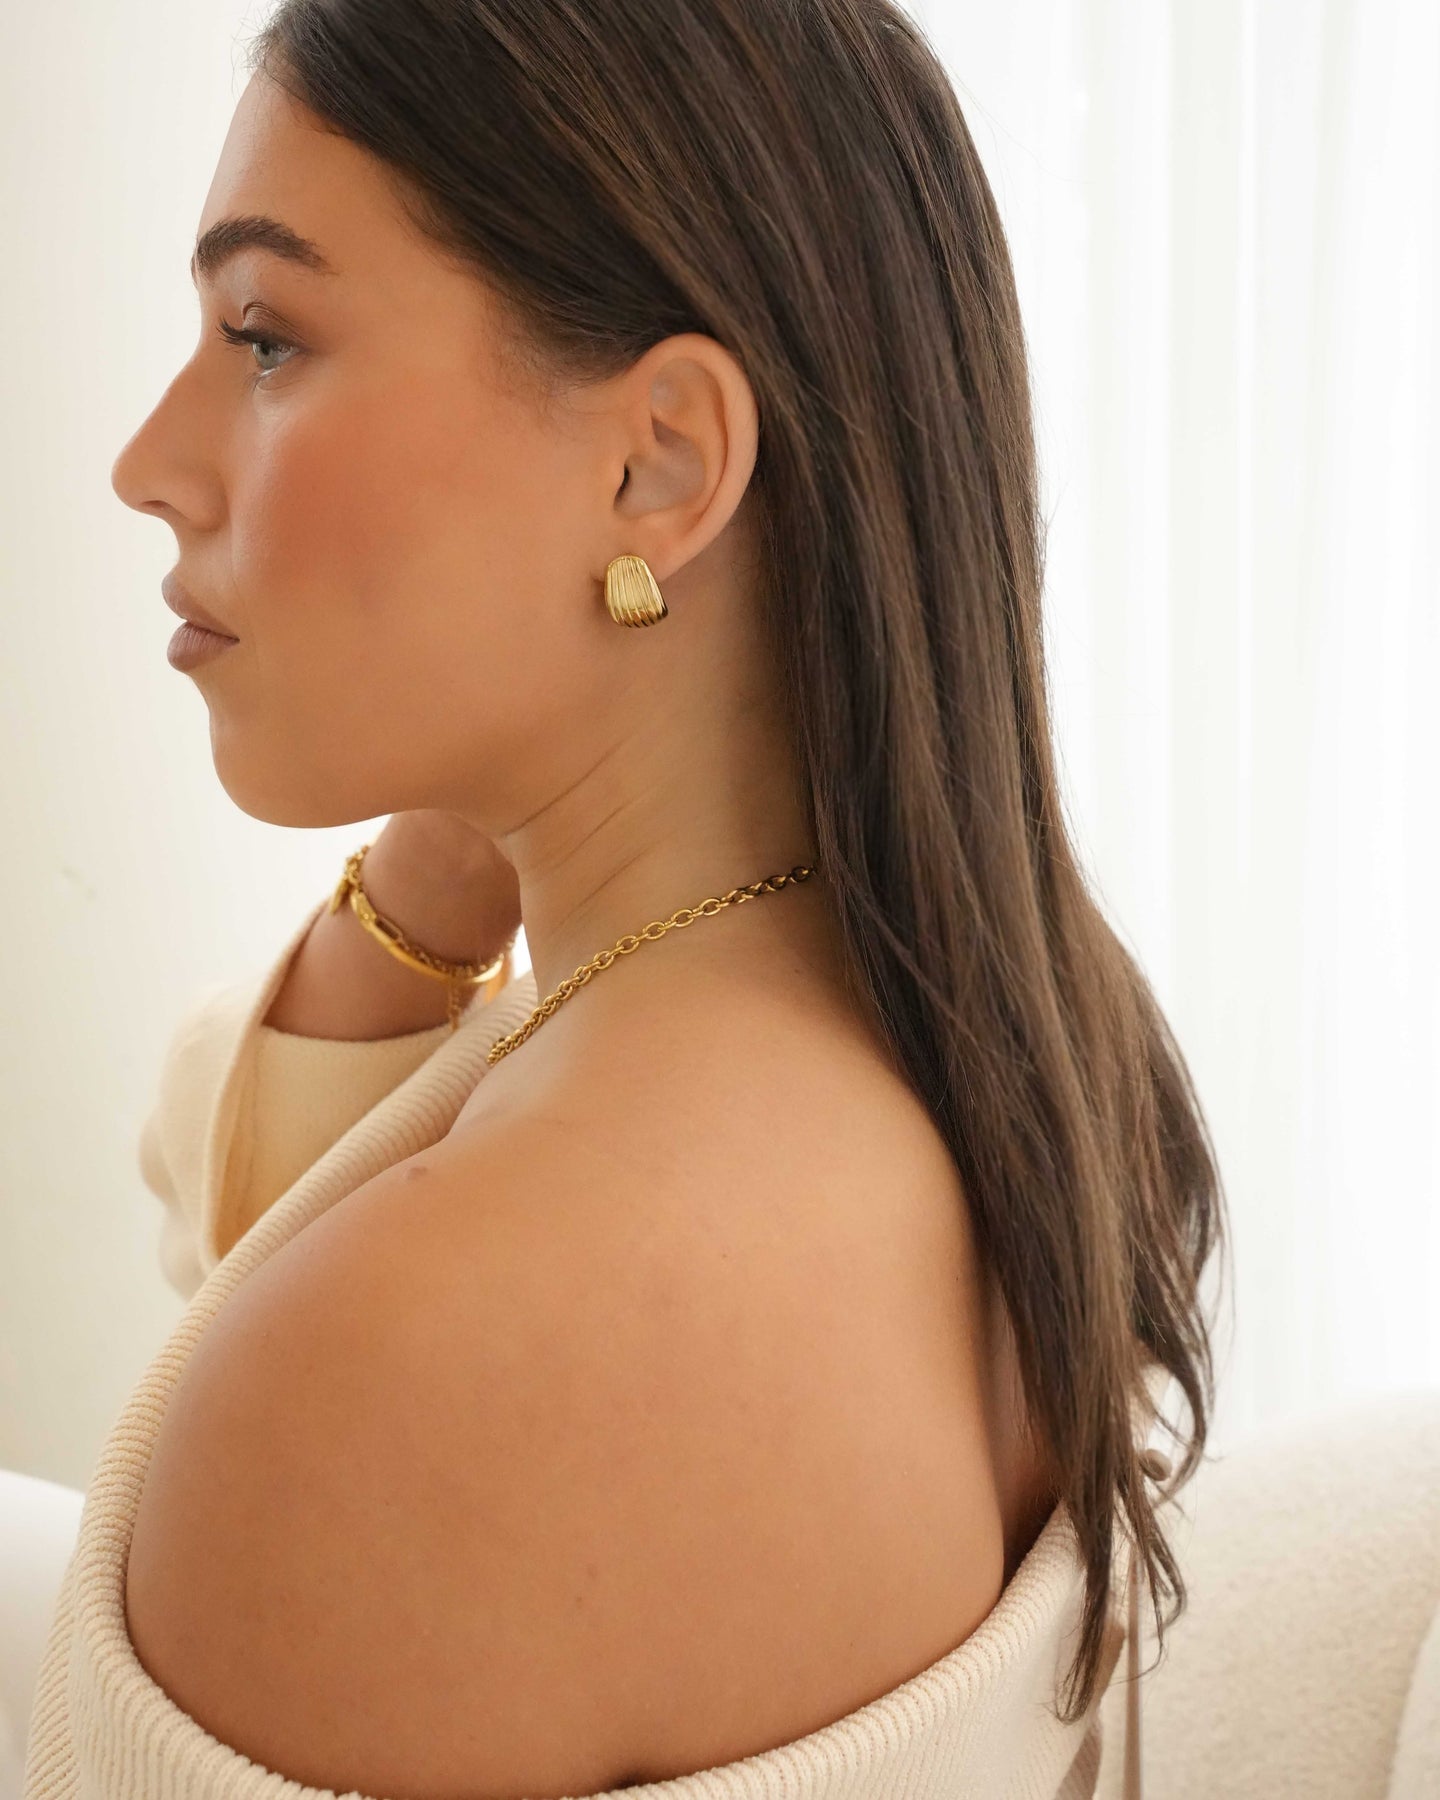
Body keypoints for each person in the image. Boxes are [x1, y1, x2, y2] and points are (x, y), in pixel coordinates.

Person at [23, 2, 1227, 1796]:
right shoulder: (1022, 1064)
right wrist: (460, 848)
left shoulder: (425, 1358)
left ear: (658, 459)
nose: (148, 462)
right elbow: (272, 1242)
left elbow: (289, 1341)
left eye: (265, 337)